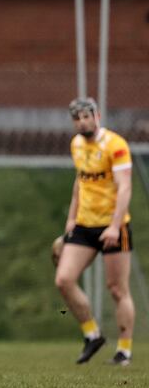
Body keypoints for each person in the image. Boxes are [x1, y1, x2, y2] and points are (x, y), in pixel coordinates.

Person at [55, 97, 135, 366]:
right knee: (64, 279)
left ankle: (124, 349)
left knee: (117, 289)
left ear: (97, 115)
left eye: (86, 117)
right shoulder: (76, 144)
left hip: (113, 224)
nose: (82, 122)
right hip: (84, 224)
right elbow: (80, 182)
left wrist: (114, 226)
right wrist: (70, 219)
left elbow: (124, 187)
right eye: (77, 119)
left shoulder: (116, 145)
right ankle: (92, 335)